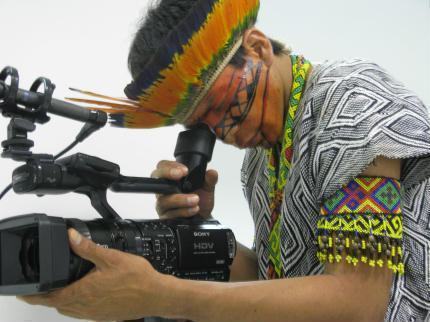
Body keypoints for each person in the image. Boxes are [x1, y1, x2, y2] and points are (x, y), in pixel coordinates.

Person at [20, 0, 430, 321]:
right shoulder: (259, 164)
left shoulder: (350, 102)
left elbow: (359, 304)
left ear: (257, 47)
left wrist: (161, 294)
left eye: (223, 107)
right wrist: (200, 235)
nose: (224, 134)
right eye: (202, 125)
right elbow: (278, 286)